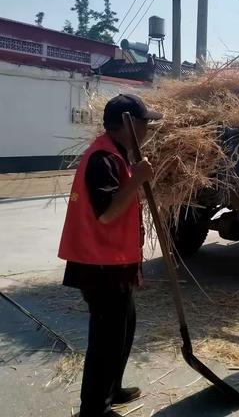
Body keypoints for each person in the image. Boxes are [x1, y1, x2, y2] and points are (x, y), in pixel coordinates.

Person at [58, 94, 162, 417]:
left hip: (114, 263)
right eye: (145, 122)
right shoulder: (101, 159)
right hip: (98, 265)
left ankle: (111, 388)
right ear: (129, 123)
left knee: (124, 326)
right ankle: (94, 409)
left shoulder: (117, 155)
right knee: (105, 338)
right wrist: (139, 180)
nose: (148, 129)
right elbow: (106, 213)